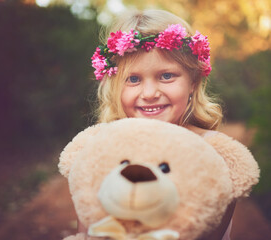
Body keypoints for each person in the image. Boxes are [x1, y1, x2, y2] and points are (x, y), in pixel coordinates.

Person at [85, 9, 235, 240]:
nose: (150, 93)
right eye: (133, 79)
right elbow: (87, 228)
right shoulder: (103, 150)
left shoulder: (215, 155)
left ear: (193, 82)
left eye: (166, 76)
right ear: (115, 86)